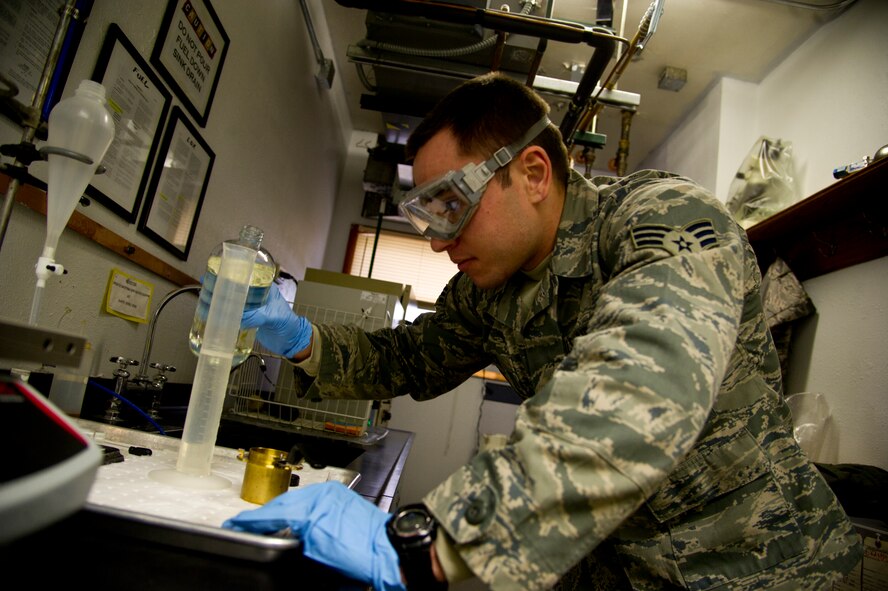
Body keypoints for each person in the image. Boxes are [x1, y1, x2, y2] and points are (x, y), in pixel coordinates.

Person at [224, 72, 862, 591]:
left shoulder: (658, 217)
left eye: (451, 205)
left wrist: (443, 541)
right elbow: (405, 359)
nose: (442, 241)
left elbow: (639, 385)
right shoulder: (486, 292)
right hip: (613, 567)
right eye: (427, 219)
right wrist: (295, 334)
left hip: (763, 566)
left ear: (532, 172)